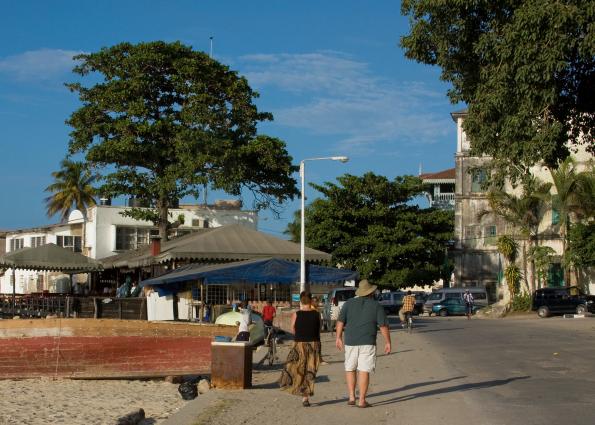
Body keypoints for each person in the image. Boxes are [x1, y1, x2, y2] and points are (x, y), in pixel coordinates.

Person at [335, 279, 391, 408]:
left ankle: (351, 397)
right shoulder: (376, 306)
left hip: (350, 341)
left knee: (350, 368)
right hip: (368, 342)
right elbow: (383, 326)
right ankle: (361, 401)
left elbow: (340, 321)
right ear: (371, 292)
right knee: (364, 370)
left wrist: (338, 337)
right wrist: (388, 342)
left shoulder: (348, 304)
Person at [279, 292, 321, 407]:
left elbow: (293, 329)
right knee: (310, 371)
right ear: (311, 301)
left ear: (301, 302)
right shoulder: (317, 314)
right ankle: (305, 397)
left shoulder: (296, 314)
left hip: (299, 345)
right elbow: (318, 330)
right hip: (314, 345)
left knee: (297, 369)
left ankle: (296, 389)